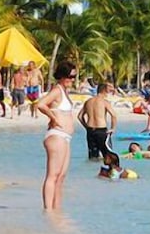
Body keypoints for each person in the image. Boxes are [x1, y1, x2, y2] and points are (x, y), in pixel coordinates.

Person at [36, 61, 77, 210]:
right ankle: (48, 209)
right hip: (57, 136)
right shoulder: (57, 90)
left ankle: (57, 208)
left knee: (61, 176)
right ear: (62, 76)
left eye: (74, 77)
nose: (72, 80)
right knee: (53, 175)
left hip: (65, 137)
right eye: (70, 76)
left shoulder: (64, 91)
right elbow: (40, 104)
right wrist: (53, 118)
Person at [78, 83, 119, 161]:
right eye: (108, 91)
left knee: (93, 157)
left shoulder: (88, 101)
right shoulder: (104, 102)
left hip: (90, 130)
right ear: (104, 91)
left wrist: (86, 127)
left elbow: (80, 116)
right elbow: (113, 115)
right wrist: (113, 128)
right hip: (101, 130)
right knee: (108, 156)